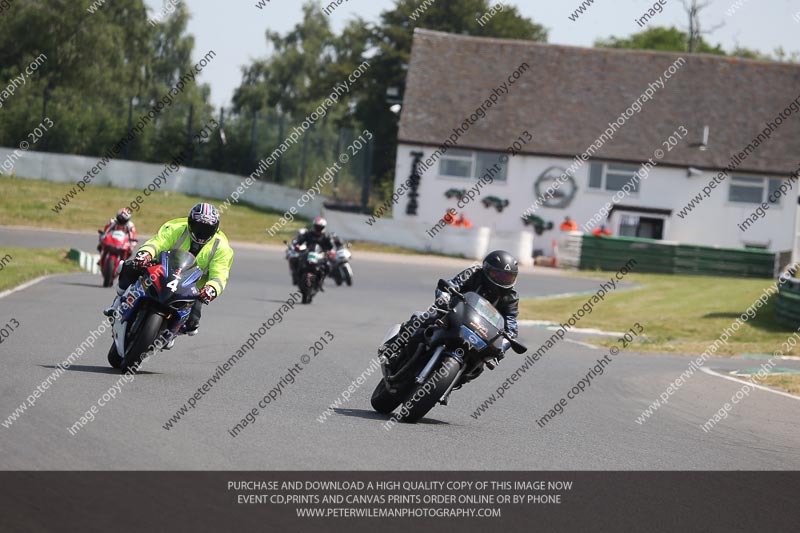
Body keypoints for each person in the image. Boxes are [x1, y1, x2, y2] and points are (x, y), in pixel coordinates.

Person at [383, 250, 520, 388]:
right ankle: (393, 346)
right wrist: (444, 296)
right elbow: (453, 283)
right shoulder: (474, 273)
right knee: (424, 318)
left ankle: (452, 382)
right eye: (497, 274)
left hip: (480, 330)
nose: (501, 280)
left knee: (479, 366)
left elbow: (511, 324)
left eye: (507, 277)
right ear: (486, 269)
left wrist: (504, 344)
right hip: (454, 313)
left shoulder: (511, 297)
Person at [103, 203, 234, 346]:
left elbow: (220, 274)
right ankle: (116, 304)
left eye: (207, 229)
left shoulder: (221, 248)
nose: (202, 232)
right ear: (190, 223)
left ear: (215, 229)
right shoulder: (176, 228)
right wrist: (145, 254)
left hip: (191, 287)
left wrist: (212, 288)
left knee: (192, 324)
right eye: (198, 227)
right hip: (162, 270)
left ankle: (172, 332)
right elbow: (157, 242)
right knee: (129, 266)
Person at [291, 217, 341, 284]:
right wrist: (297, 245)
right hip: (308, 252)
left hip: (321, 254)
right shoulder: (308, 234)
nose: (318, 229)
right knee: (294, 259)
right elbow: (299, 241)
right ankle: (296, 276)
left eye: (320, 228)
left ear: (323, 228)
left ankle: (322, 278)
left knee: (328, 265)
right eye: (316, 227)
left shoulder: (326, 236)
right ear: (314, 227)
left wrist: (331, 251)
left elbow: (332, 246)